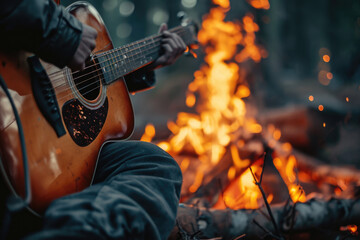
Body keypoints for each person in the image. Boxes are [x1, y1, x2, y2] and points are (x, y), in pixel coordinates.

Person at [0, 0, 186, 239]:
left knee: (152, 164)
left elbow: (69, 83)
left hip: (45, 150)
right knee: (154, 169)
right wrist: (63, 34)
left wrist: (146, 64)